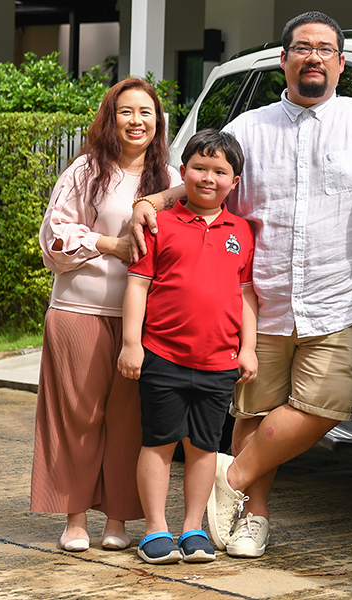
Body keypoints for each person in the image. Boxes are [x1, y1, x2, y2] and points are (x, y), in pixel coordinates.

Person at [130, 11, 352, 557]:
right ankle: (252, 518)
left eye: (325, 49)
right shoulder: (249, 128)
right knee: (252, 414)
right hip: (262, 299)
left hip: (338, 297)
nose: (314, 57)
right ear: (284, 60)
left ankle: (227, 484)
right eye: (302, 48)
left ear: (341, 63)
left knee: (326, 406)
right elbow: (201, 183)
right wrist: (152, 202)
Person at [32, 78, 181, 552]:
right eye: (125, 111)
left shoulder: (173, 180)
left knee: (129, 421)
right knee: (79, 416)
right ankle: (76, 519)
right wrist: (109, 244)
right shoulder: (85, 170)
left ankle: (118, 520)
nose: (136, 121)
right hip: (79, 310)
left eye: (146, 112)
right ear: (109, 118)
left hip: (145, 322)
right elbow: (53, 237)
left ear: (158, 122)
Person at [117, 129, 259, 564]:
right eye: (199, 168)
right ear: (183, 173)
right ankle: (155, 529)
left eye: (220, 172)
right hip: (163, 354)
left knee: (203, 447)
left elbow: (247, 295)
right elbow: (138, 285)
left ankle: (192, 527)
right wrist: (130, 344)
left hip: (219, 362)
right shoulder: (160, 224)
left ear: (234, 182)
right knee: (159, 442)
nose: (208, 178)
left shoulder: (242, 231)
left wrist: (248, 349)